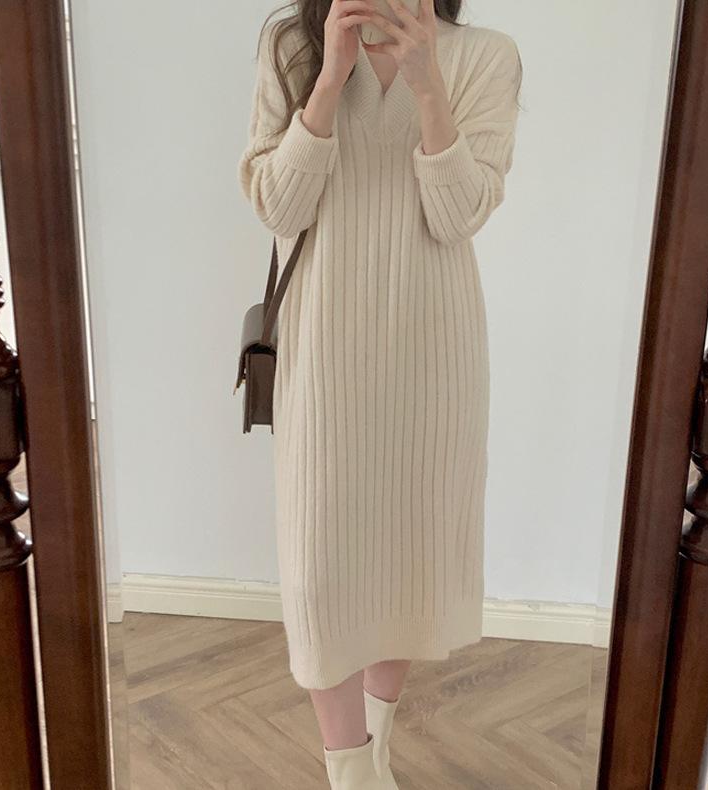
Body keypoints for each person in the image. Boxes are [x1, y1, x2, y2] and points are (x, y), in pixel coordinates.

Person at [238, 1, 522, 786]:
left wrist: (428, 86)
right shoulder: (291, 45)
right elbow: (278, 207)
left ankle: (375, 751)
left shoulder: (487, 56)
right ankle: (352, 773)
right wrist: (329, 81)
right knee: (321, 570)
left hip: (432, 356)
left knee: (408, 557)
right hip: (324, 352)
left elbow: (458, 214)